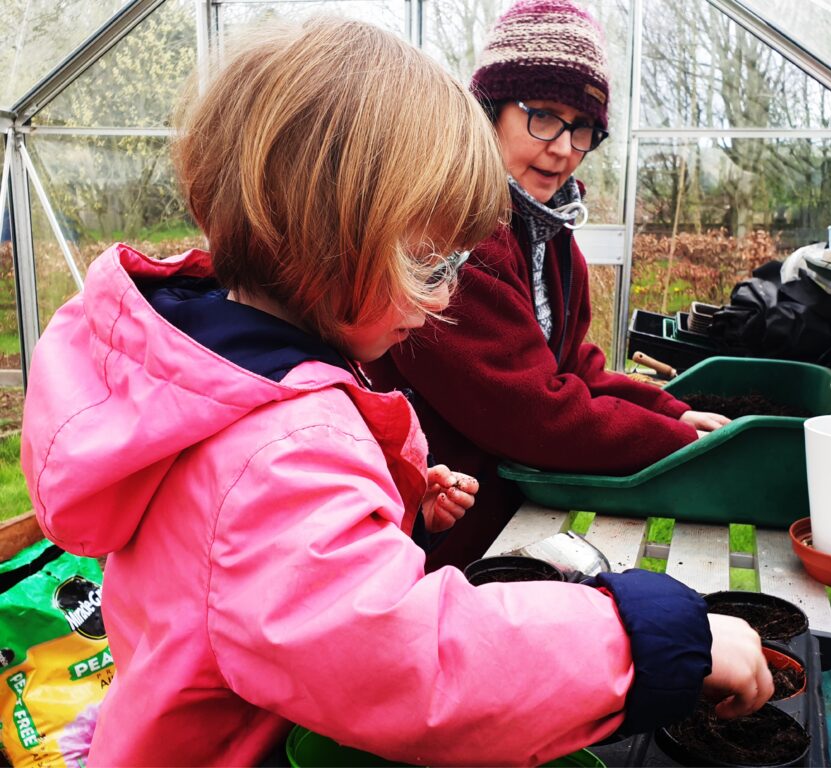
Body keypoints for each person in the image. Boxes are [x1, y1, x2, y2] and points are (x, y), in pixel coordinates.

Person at [20, 17, 771, 767]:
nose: (442, 298)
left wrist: (390, 495)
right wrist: (653, 639)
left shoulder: (217, 382)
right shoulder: (282, 454)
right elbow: (417, 665)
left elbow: (246, 560)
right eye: (428, 262)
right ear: (334, 235)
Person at [367, 0, 730, 570]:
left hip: (505, 516)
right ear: (491, 112)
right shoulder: (458, 234)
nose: (563, 147)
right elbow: (533, 411)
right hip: (437, 532)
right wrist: (680, 447)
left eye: (582, 127)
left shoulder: (548, 230)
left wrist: (671, 413)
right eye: (543, 116)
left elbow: (574, 365)